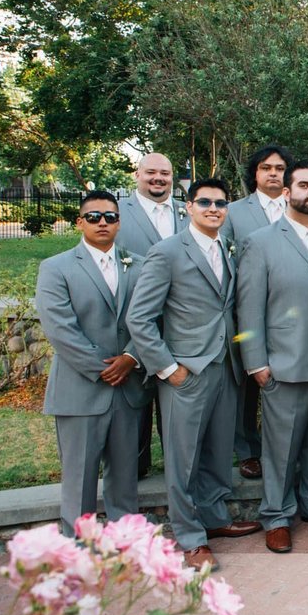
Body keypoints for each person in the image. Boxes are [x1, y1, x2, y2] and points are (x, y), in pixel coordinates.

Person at [126, 178, 260, 571]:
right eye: (205, 202)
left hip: (225, 366)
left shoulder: (227, 249)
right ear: (188, 207)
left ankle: (216, 519)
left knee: (219, 451)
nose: (214, 208)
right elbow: (140, 317)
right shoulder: (166, 252)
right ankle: (188, 535)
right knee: (183, 458)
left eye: (221, 203)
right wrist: (168, 368)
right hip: (186, 372)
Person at [235, 160, 308, 554]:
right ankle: (277, 515)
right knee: (280, 449)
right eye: (304, 185)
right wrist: (256, 362)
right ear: (287, 192)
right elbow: (248, 307)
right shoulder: (262, 241)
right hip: (284, 361)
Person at [36, 191, 149, 536]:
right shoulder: (56, 268)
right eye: (95, 216)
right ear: (80, 222)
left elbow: (152, 317)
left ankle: (125, 538)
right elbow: (59, 327)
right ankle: (78, 545)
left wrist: (131, 357)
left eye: (111, 216)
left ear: (119, 222)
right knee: (80, 476)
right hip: (80, 388)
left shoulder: (141, 265)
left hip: (128, 387)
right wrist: (103, 367)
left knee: (125, 473)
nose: (103, 222)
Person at [220, 144, 293, 482]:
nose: (274, 173)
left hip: (290, 311)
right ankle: (248, 450)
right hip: (247, 309)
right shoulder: (234, 212)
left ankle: (286, 447)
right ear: (256, 174)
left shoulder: (298, 208)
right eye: (266, 168)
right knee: (248, 381)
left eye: (279, 168)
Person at [117, 152, 187, 479]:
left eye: (165, 173)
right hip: (132, 327)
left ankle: (180, 471)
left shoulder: (188, 213)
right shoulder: (117, 214)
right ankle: (135, 468)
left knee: (179, 411)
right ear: (137, 174)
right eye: (151, 173)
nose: (158, 178)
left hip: (180, 327)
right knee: (134, 408)